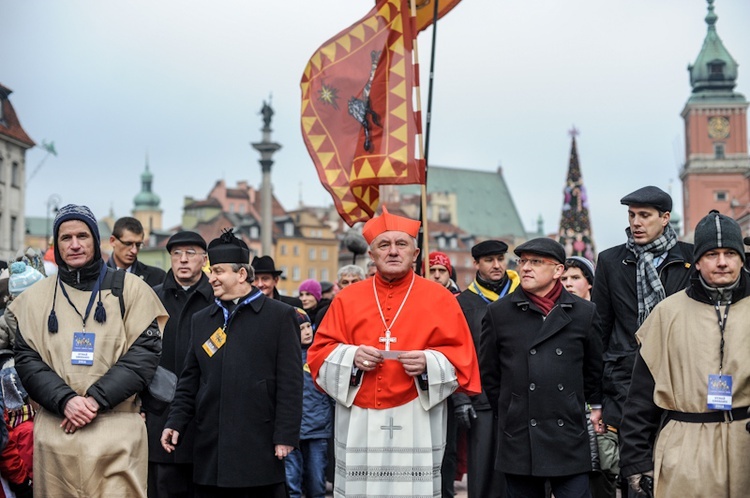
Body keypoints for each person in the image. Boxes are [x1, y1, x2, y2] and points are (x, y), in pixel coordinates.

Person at [307, 206, 481, 497]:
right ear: (371, 255)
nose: (393, 251)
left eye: (402, 244)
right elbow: (318, 355)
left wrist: (429, 361)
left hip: (417, 415)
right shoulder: (346, 299)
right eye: (383, 245)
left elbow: (463, 360)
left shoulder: (440, 298)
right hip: (360, 415)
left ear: (415, 254)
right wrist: (351, 357)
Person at [9, 204, 167, 497]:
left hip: (116, 435)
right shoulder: (35, 298)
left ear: (96, 241)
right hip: (56, 437)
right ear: (56, 244)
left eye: (83, 236)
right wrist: (65, 400)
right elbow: (27, 359)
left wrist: (95, 400)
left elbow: (144, 354)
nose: (75, 245)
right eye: (66, 238)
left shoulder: (132, 290)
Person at [161, 229, 302, 498]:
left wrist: (285, 434)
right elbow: (189, 380)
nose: (211, 277)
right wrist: (175, 422)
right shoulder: (202, 319)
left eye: (218, 271)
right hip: (210, 443)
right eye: (211, 270)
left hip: (259, 442)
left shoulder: (280, 316)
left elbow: (291, 382)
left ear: (241, 274)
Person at [620, 210, 750, 498]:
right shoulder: (668, 314)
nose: (722, 262)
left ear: (741, 258)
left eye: (730, 253)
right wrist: (636, 458)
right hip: (686, 449)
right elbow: (641, 394)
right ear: (698, 261)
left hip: (745, 446)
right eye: (712, 254)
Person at [480, 238, 603, 498]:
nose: (525, 268)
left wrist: (570, 403)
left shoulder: (584, 313)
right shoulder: (498, 313)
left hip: (568, 434)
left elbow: (592, 372)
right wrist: (513, 406)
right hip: (520, 436)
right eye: (522, 261)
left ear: (558, 270)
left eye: (536, 262)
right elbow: (490, 375)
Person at [591, 186, 692, 496]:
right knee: (634, 477)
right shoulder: (610, 261)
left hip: (680, 380)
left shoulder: (691, 258)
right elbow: (600, 331)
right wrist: (597, 400)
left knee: (679, 472)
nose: (636, 222)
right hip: (626, 382)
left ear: (664, 218)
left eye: (644, 216)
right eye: (632, 215)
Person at [147, 231, 213, 498]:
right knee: (164, 485)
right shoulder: (152, 298)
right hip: (159, 409)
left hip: (205, 414)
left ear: (205, 259)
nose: (183, 260)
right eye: (176, 254)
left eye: (190, 253)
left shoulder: (217, 299)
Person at [454, 239, 519, 498]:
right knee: (482, 469)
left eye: (501, 259)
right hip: (479, 398)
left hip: (518, 396)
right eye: (489, 260)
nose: (497, 265)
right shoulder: (464, 303)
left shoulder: (520, 295)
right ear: (476, 264)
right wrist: (460, 397)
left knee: (517, 470)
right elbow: (456, 352)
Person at [285, 308, 332, 498]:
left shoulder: (319, 356)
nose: (307, 331)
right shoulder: (285, 357)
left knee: (316, 483)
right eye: (301, 328)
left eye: (308, 326)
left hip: (317, 429)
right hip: (290, 431)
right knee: (291, 484)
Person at [107, 216, 167, 287]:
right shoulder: (97, 276)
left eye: (138, 244)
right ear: (112, 241)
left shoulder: (158, 277)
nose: (134, 251)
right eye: (128, 244)